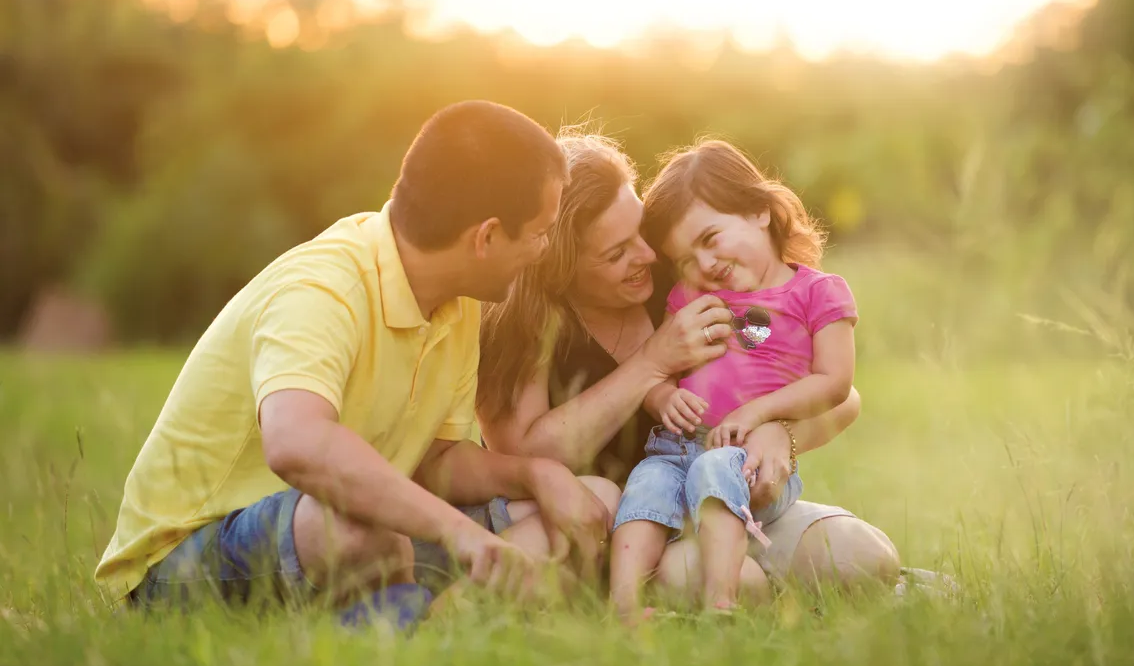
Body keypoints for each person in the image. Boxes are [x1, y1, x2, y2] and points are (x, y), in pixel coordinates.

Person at [95, 101, 618, 623]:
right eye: (540, 232)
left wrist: (534, 476)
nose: (546, 249)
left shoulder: (459, 301)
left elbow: (436, 463)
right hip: (184, 563)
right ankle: (419, 626)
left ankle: (429, 627)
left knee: (586, 501)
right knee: (359, 531)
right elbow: (296, 444)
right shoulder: (324, 287)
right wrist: (458, 532)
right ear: (484, 237)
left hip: (372, 540)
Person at [478, 132, 899, 610]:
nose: (646, 256)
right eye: (616, 253)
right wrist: (652, 364)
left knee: (864, 559)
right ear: (560, 268)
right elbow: (523, 453)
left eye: (640, 232)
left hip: (720, 493)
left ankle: (782, 577)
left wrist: (782, 432)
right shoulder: (526, 320)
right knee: (730, 582)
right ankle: (719, 590)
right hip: (621, 519)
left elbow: (843, 395)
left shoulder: (685, 277)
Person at [608, 139, 858, 616]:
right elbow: (657, 368)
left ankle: (720, 602)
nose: (703, 266)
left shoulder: (817, 293)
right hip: (674, 447)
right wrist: (660, 399)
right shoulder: (688, 296)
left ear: (759, 211)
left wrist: (760, 414)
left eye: (710, 239)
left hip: (748, 460)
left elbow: (835, 382)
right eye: (685, 259)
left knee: (714, 468)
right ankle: (621, 608)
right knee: (645, 485)